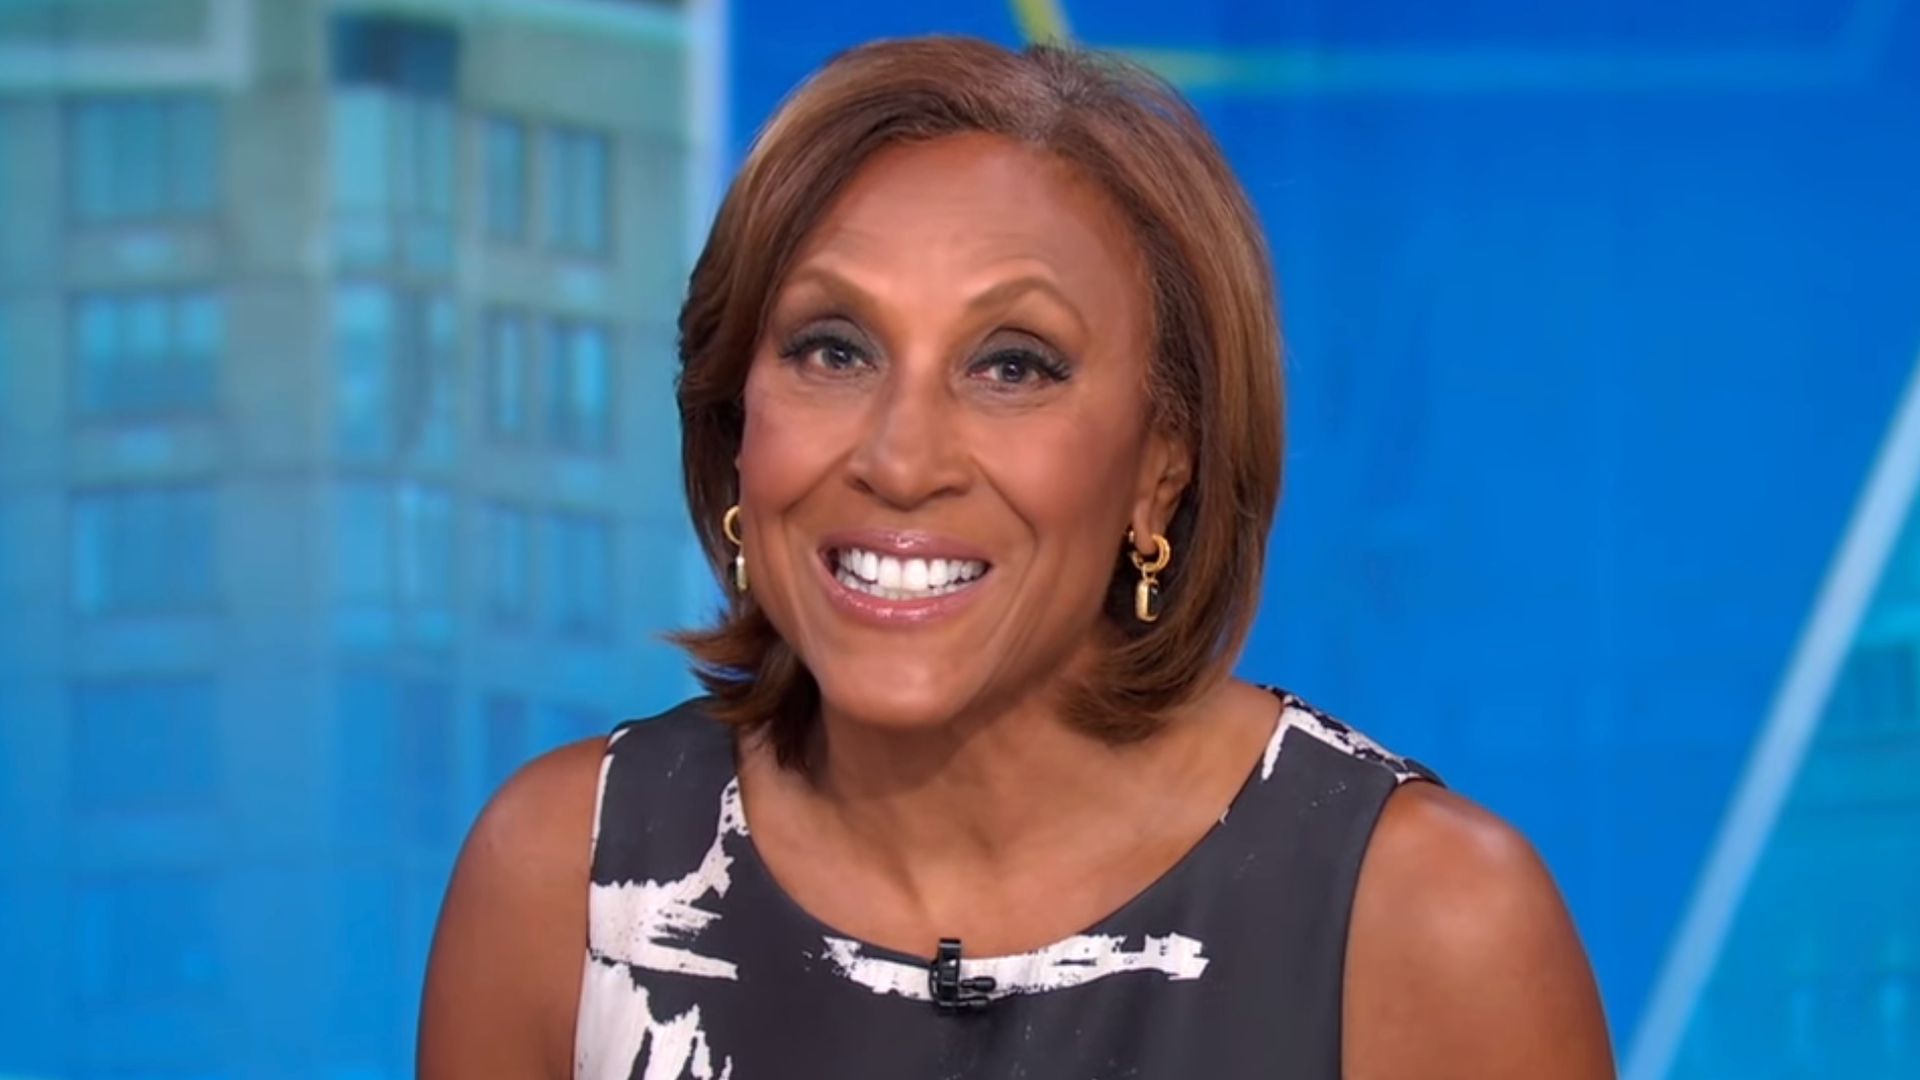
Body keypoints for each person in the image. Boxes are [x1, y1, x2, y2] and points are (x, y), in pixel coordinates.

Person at [419, 35, 1613, 1080]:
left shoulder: (1419, 923)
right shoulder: (562, 880)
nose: (901, 458)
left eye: (1013, 366)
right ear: (737, 426)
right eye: (833, 351)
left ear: (1163, 465)